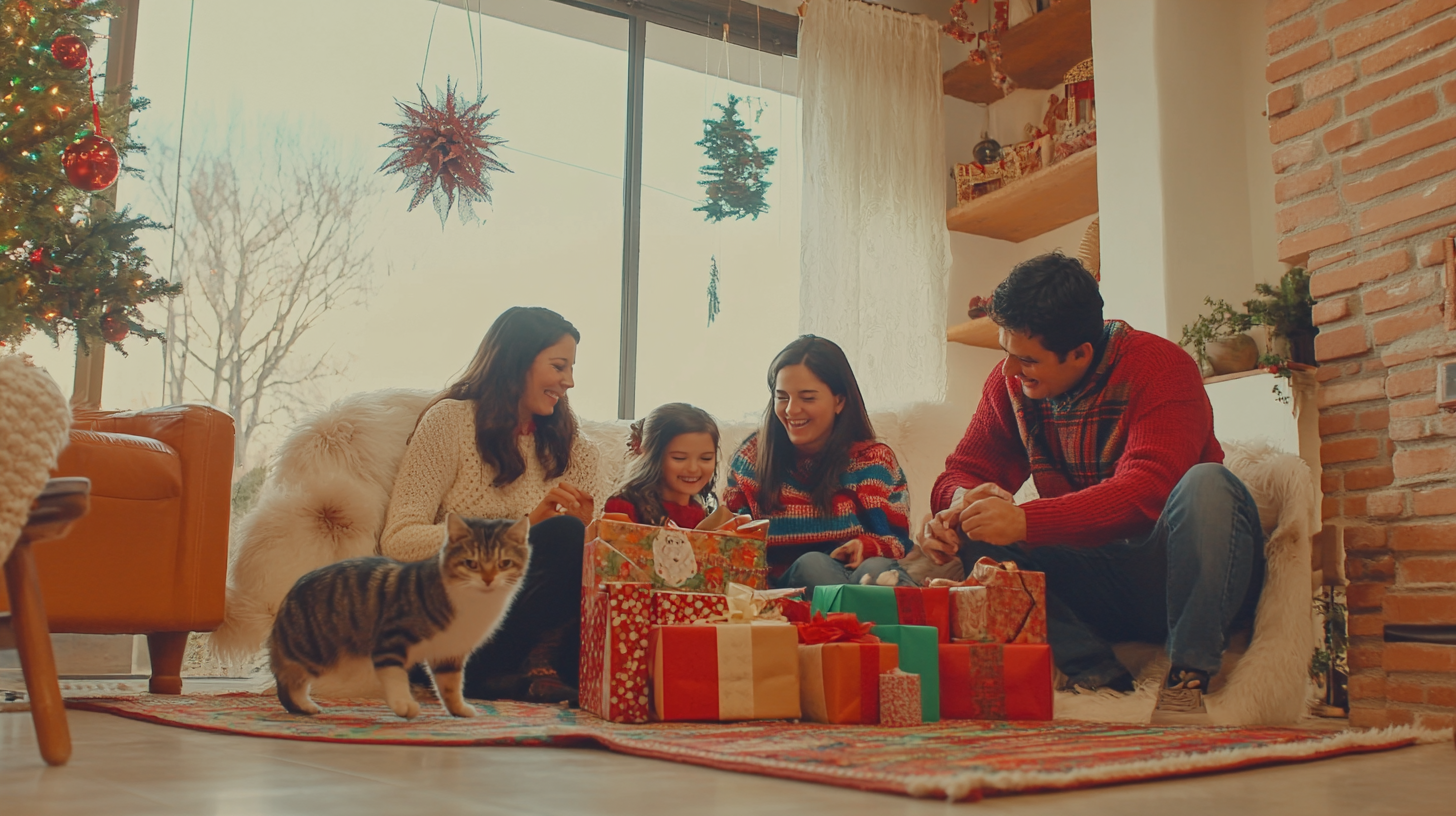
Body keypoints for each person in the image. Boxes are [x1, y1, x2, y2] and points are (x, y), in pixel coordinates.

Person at [922, 252, 1263, 708]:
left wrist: (1024, 521)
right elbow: (961, 471)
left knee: (1208, 482)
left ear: (1081, 353)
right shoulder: (1012, 383)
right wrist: (959, 504)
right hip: (1099, 584)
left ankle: (1188, 679)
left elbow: (1147, 491)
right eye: (1006, 352)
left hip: (1177, 574)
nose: (1009, 370)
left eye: (1026, 359)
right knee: (977, 526)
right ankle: (1097, 677)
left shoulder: (1161, 368)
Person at [381, 306, 601, 704]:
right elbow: (399, 540)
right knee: (561, 534)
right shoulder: (449, 423)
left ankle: (514, 675)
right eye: (558, 366)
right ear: (517, 361)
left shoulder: (577, 448)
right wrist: (524, 529)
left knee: (581, 541)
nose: (568, 381)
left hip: (528, 625)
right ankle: (499, 672)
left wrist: (593, 535)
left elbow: (583, 561)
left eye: (571, 368)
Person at [724, 335, 915, 595]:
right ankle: (864, 626)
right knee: (813, 564)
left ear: (839, 401)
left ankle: (865, 625)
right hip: (787, 596)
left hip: (859, 579)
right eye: (782, 397)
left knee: (879, 569)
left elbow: (897, 542)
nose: (791, 410)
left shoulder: (873, 462)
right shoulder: (750, 461)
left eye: (807, 398)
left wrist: (865, 546)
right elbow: (734, 549)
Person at [604, 403, 721, 528]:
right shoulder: (622, 508)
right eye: (679, 458)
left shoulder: (704, 512)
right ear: (652, 456)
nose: (693, 468)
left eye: (706, 458)